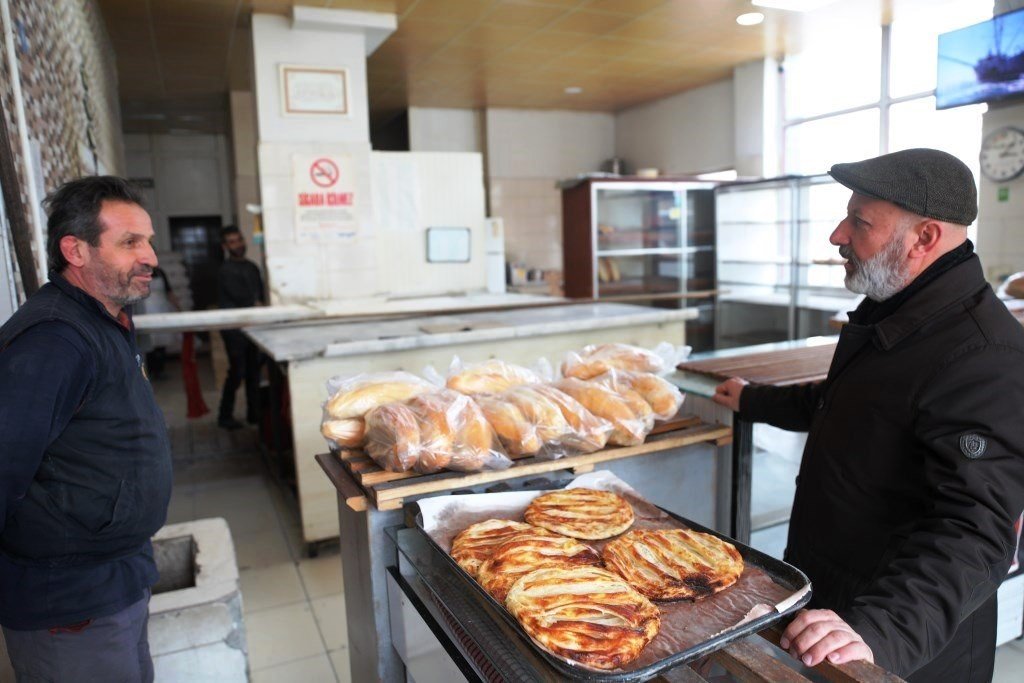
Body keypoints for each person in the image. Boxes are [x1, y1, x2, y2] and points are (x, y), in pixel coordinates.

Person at [713, 148, 1024, 682]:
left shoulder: (984, 355)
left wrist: (881, 632)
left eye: (859, 222)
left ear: (924, 238)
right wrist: (754, 400)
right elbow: (849, 402)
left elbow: (974, 530)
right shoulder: (897, 308)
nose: (838, 235)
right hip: (836, 594)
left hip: (902, 638)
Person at [0, 176, 171, 682]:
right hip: (69, 601)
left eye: (148, 241)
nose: (150, 257)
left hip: (114, 577)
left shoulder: (104, 319)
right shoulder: (54, 341)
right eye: (130, 242)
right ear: (75, 250)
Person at [216, 225, 264, 430]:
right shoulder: (225, 270)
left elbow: (260, 294)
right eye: (232, 242)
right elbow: (241, 296)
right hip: (234, 330)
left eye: (239, 240)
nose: (238, 244)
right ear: (225, 246)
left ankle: (254, 414)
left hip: (253, 327)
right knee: (237, 372)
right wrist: (256, 304)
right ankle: (224, 416)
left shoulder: (252, 267)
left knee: (254, 372)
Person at [136, 265, 181, 380]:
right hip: (147, 308)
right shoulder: (138, 272)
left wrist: (178, 307)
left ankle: (160, 370)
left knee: (163, 339)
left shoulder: (160, 272)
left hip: (162, 308)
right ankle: (150, 370)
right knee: (150, 341)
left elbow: (169, 291)